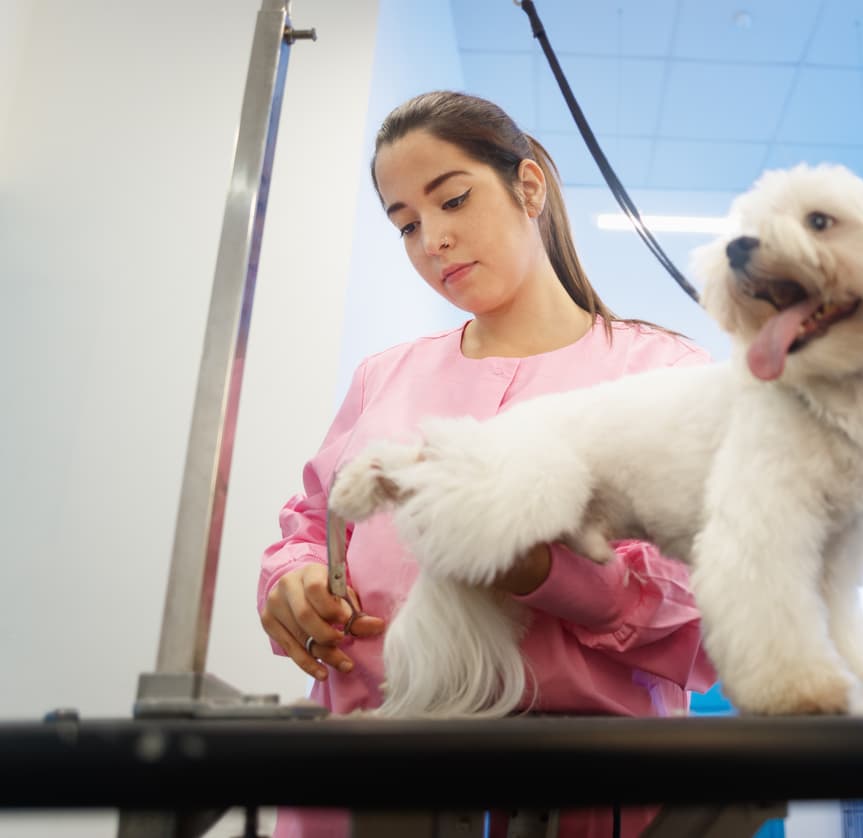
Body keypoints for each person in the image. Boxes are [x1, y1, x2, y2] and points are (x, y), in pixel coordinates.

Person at [257, 90, 718, 838]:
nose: (431, 239)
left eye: (453, 201)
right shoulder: (386, 375)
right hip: (363, 776)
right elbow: (313, 522)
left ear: (528, 187)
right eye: (406, 224)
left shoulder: (660, 372)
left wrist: (544, 574)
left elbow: (700, 597)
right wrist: (292, 582)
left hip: (577, 789)